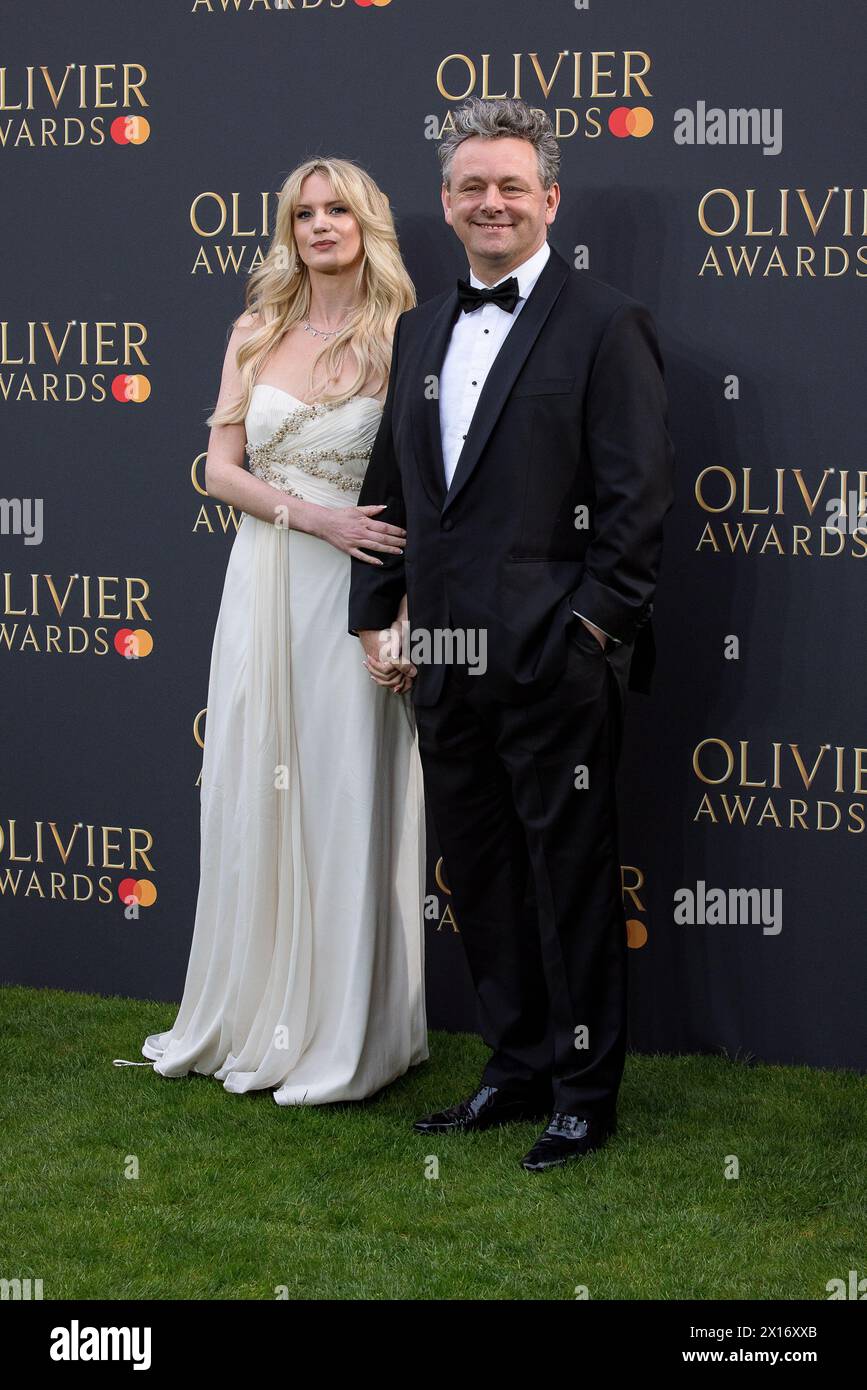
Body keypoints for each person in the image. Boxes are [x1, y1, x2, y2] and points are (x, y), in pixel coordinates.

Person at [349, 98, 675, 1170]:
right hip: (440, 662)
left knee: (573, 877)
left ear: (550, 199)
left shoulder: (604, 322)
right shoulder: (419, 329)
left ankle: (585, 1090)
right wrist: (375, 616)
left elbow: (634, 505)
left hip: (554, 659)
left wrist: (589, 629)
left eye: (511, 185)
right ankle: (515, 1063)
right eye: (472, 186)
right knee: (478, 877)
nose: (492, 201)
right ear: (445, 205)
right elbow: (393, 491)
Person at [115, 157, 428, 1104]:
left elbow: (425, 488)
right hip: (266, 579)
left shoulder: (403, 336)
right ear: (288, 229)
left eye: (338, 210)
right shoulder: (256, 329)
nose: (321, 226)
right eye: (305, 213)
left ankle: (348, 1035)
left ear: (367, 223)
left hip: (362, 594)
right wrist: (316, 518)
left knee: (342, 790)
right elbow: (220, 469)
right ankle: (252, 1015)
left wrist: (402, 610)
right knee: (259, 785)